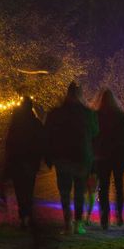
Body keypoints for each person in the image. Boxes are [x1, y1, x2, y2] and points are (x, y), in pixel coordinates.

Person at [45, 81, 98, 235]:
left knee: (64, 192)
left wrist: (49, 157)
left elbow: (48, 136)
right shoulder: (89, 114)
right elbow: (95, 134)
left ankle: (67, 222)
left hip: (62, 158)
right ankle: (78, 224)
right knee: (79, 191)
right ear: (81, 95)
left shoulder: (55, 113)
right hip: (81, 157)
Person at [93, 89, 124, 229]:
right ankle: (119, 214)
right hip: (118, 156)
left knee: (103, 187)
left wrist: (93, 155)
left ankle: (105, 215)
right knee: (119, 186)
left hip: (102, 156)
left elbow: (94, 137)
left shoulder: (97, 115)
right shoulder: (120, 116)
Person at [4, 96, 46, 229]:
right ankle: (27, 215)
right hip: (31, 161)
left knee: (19, 190)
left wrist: (9, 158)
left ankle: (23, 216)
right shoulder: (36, 123)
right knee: (29, 189)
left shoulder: (16, 123)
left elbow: (9, 142)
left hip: (17, 160)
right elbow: (41, 142)